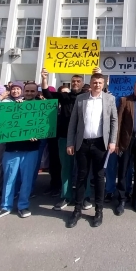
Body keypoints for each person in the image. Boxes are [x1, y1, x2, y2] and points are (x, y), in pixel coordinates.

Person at [65, 73, 118, 228]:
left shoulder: (109, 99)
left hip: (100, 144)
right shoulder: (81, 99)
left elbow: (114, 120)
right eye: (94, 82)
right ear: (90, 83)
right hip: (83, 144)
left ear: (104, 84)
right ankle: (77, 210)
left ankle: (98, 211)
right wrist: (70, 142)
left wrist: (113, 141)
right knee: (81, 177)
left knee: (99, 177)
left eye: (100, 82)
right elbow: (73, 122)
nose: (97, 85)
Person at [0, 83, 42, 221]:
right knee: (9, 179)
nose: (29, 93)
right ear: (24, 91)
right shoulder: (13, 104)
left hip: (31, 149)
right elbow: (0, 121)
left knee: (27, 179)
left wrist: (38, 135)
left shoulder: (42, 106)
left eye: (32, 91)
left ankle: (23, 206)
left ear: (36, 92)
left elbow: (45, 127)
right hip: (12, 148)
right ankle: (5, 206)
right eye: (27, 90)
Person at [42, 71, 92, 211]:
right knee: (66, 169)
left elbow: (99, 89)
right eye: (73, 81)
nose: (75, 84)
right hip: (65, 138)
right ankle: (66, 196)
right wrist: (44, 78)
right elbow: (47, 94)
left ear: (82, 83)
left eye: (78, 81)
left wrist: (97, 74)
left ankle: (85, 196)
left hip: (84, 138)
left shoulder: (88, 97)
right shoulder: (65, 96)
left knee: (84, 169)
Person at [114, 79, 136, 215]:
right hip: (126, 141)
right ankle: (122, 200)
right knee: (122, 171)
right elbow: (118, 122)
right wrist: (116, 143)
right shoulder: (125, 101)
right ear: (133, 88)